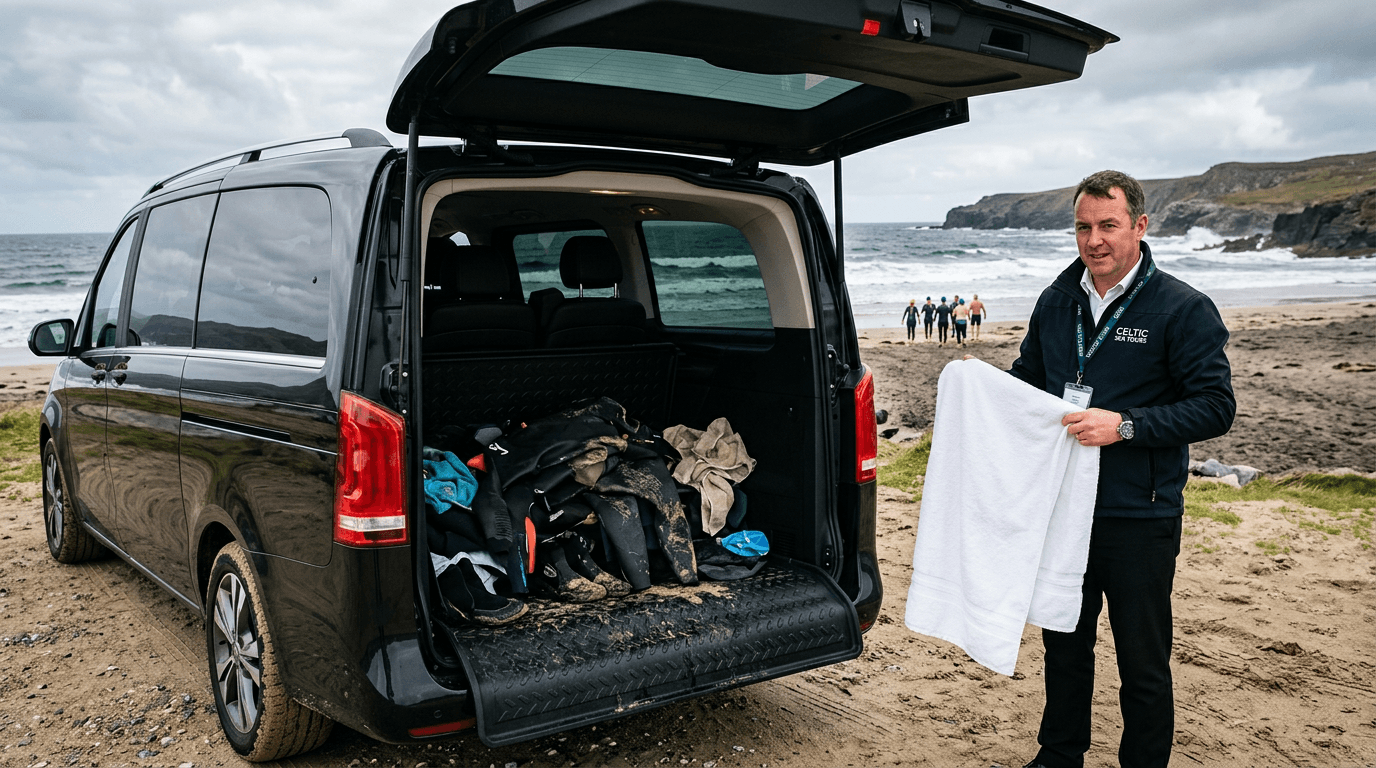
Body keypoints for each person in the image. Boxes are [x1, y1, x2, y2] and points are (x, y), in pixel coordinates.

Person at [1007, 170, 1235, 768]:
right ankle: (1059, 756)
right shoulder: (1057, 301)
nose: (1094, 240)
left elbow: (1215, 407)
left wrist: (1125, 425)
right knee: (1064, 645)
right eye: (1083, 227)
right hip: (1064, 508)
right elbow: (1027, 382)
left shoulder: (1183, 307)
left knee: (1142, 659)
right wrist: (977, 400)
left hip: (1141, 512)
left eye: (1108, 225)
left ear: (1139, 226)